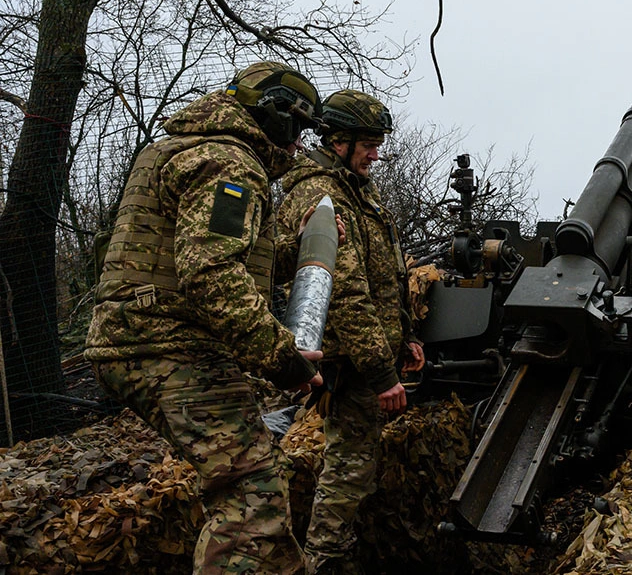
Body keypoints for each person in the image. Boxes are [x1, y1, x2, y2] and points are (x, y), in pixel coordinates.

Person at [85, 61, 327, 574]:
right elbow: (211, 273)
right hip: (169, 346)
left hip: (142, 338)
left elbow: (210, 256)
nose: (300, 142)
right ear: (278, 117)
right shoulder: (230, 164)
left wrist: (299, 247)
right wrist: (283, 358)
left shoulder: (187, 148)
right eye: (299, 128)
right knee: (251, 497)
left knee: (251, 485)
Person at [277, 88, 425, 575]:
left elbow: (387, 275)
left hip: (370, 352)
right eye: (369, 144)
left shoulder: (358, 189)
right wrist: (383, 373)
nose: (377, 153)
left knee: (355, 467)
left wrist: (405, 337)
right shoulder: (320, 192)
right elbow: (343, 290)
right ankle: (324, 562)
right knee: (348, 471)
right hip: (352, 361)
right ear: (339, 141)